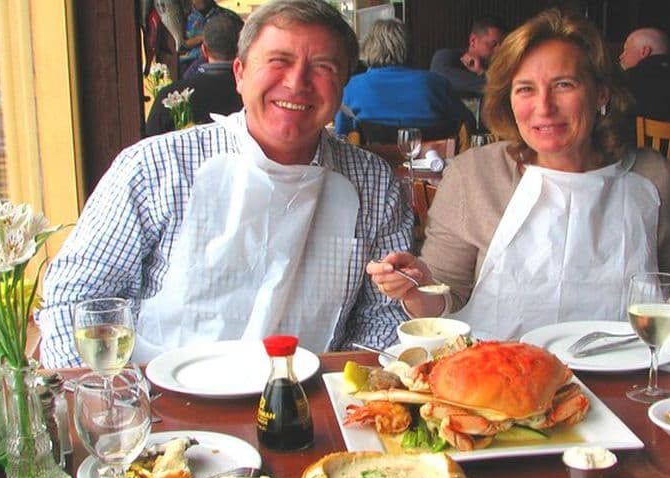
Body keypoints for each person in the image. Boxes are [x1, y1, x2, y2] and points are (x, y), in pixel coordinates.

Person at [38, 0, 413, 368]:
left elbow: (385, 314)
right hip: (159, 407)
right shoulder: (155, 166)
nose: (297, 82)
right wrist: (115, 407)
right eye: (278, 61)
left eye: (323, 67)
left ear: (343, 85)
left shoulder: (374, 183)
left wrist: (341, 389)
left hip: (304, 404)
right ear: (240, 73)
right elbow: (74, 301)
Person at [367, 9, 670, 341]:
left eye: (564, 85)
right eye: (525, 89)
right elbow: (446, 299)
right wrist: (416, 289)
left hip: (621, 376)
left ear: (601, 93)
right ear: (508, 99)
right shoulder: (472, 175)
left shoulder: (653, 176)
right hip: (499, 383)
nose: (544, 107)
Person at [334, 18, 474, 137]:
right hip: (432, 166)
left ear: (368, 48)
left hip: (369, 167)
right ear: (410, 47)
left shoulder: (350, 88)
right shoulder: (437, 84)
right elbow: (468, 123)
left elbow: (342, 135)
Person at [146, 14, 243, 136]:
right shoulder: (254, 92)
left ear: (204, 51)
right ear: (242, 49)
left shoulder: (171, 96)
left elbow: (151, 142)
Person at [429, 16, 505, 97]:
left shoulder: (500, 67)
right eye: (493, 44)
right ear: (473, 40)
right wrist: (493, 87)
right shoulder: (446, 57)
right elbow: (440, 78)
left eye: (502, 45)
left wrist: (481, 72)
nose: (499, 50)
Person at [179, 0, 241, 69]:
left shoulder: (229, 17)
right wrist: (202, 38)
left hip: (221, 67)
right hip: (185, 67)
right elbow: (177, 45)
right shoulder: (181, 18)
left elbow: (241, 45)